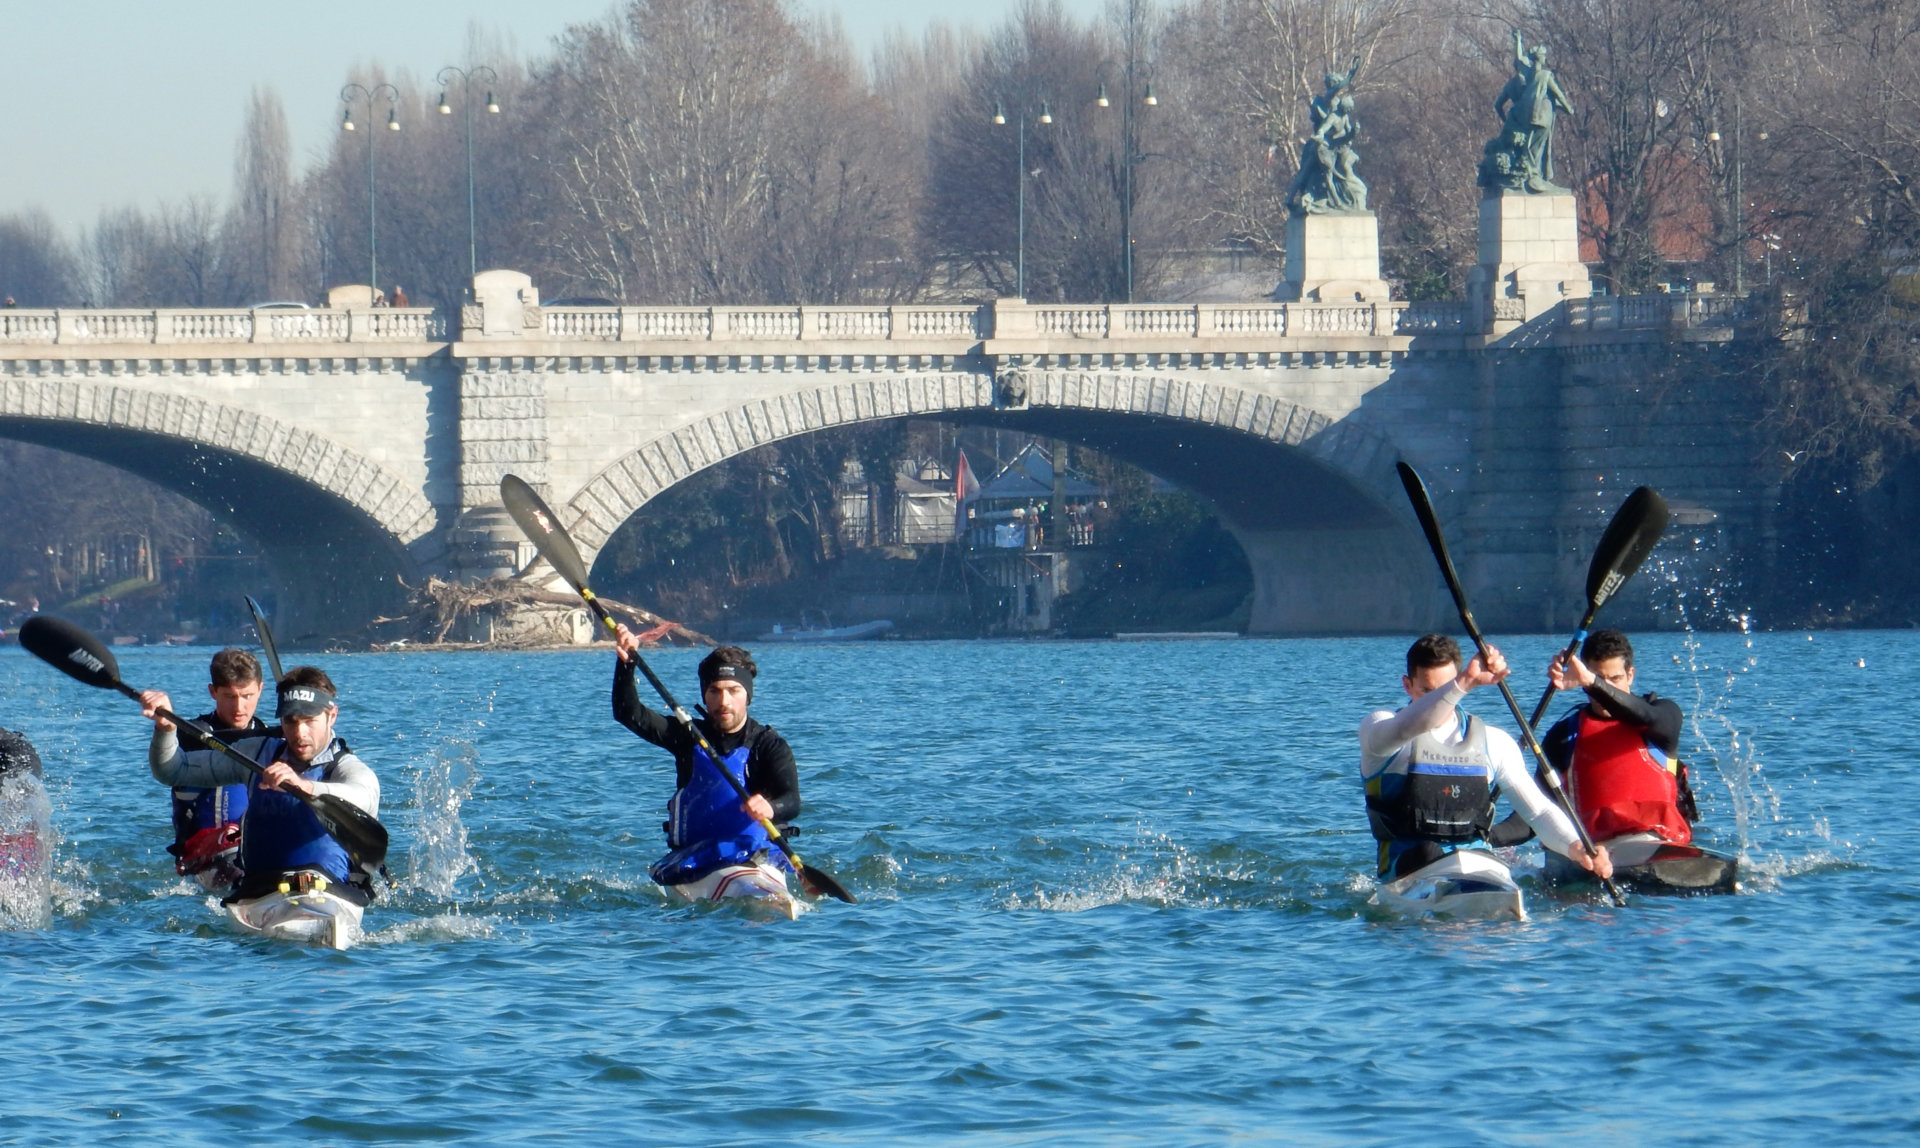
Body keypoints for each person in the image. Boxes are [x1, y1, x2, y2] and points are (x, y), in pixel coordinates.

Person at [1359, 634, 1611, 881]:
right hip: (1408, 872)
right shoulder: (1379, 729)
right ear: (1407, 684)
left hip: (1478, 866)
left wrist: (1576, 846)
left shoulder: (1494, 742)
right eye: (1428, 691)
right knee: (1428, 852)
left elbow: (1538, 812)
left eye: (1447, 688)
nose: (1442, 700)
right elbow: (1408, 727)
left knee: (1487, 861)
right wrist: (1464, 682)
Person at [143, 665, 380, 907]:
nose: (299, 733)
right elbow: (173, 770)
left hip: (330, 893)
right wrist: (165, 729)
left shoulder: (347, 767)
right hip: (258, 893)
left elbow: (364, 797)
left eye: (310, 721)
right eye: (290, 721)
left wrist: (305, 786)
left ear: (332, 715)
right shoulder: (257, 753)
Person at [611, 627, 801, 897]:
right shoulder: (687, 737)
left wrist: (772, 806)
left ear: (747, 695)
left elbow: (793, 801)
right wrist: (627, 664)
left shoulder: (769, 745)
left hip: (755, 856)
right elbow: (627, 713)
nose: (724, 701)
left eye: (734, 690)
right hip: (695, 859)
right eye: (715, 691)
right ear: (704, 695)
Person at [1540, 629, 1696, 846]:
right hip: (1598, 854)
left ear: (1630, 675)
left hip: (1662, 844)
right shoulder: (1563, 736)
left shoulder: (1663, 717)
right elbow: (1535, 813)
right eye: (1599, 679)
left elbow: (1647, 716)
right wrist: (1485, 836)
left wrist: (1593, 682)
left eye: (1616, 678)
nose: (1607, 688)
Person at [167, 648, 270, 890]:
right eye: (230, 696)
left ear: (261, 689)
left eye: (247, 696)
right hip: (203, 850)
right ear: (213, 692)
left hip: (250, 842)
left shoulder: (269, 735)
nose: (239, 707)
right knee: (235, 835)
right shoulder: (191, 733)